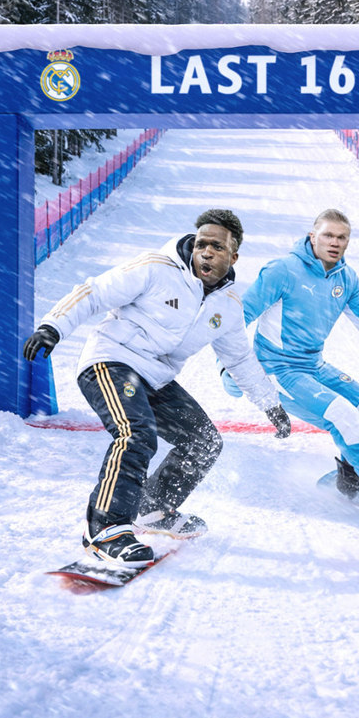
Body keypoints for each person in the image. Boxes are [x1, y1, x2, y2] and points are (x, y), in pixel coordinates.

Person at [24, 209, 291, 568]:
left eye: (217, 247)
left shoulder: (228, 306)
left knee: (203, 441)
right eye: (202, 244)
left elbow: (240, 359)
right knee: (136, 434)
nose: (206, 252)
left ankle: (152, 509)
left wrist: (270, 404)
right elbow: (95, 292)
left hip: (155, 378)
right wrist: (52, 326)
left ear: (234, 256)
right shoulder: (156, 268)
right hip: (111, 361)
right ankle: (105, 529)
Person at [220, 208, 359, 512]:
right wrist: (227, 367)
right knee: (344, 416)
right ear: (312, 236)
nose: (335, 242)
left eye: (342, 237)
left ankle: (352, 479)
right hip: (277, 370)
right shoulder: (282, 271)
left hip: (313, 366)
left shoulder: (346, 278)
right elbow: (238, 318)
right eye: (328, 235)